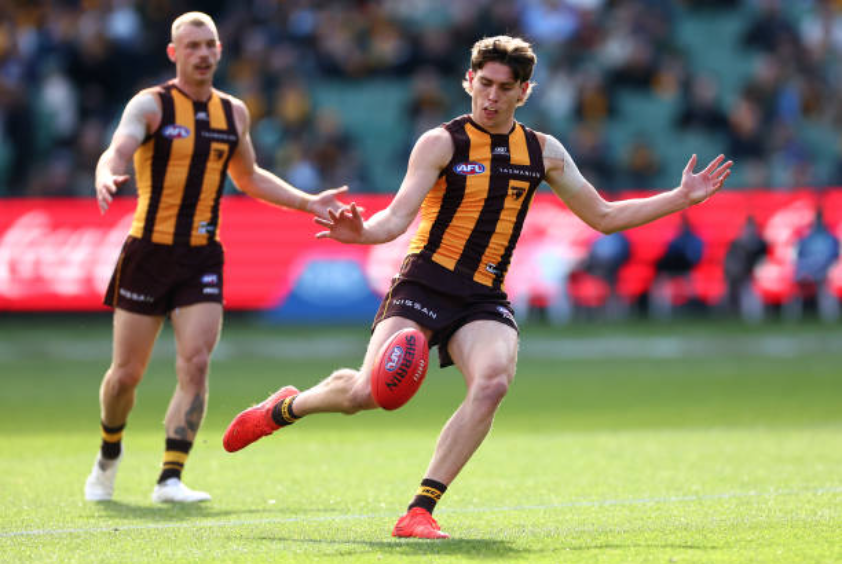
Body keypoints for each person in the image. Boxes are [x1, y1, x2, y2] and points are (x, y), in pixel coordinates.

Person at [223, 35, 732, 538]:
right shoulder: (441, 143)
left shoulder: (543, 152)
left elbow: (602, 216)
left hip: (483, 296)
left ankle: (419, 511)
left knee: (492, 383)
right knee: (367, 392)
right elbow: (395, 219)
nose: (491, 96)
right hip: (424, 282)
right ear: (468, 80)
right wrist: (361, 234)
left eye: (503, 87)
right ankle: (285, 408)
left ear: (524, 92)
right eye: (483, 83)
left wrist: (680, 198)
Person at [84, 12, 349, 504]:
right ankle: (108, 455)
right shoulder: (152, 105)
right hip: (148, 251)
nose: (203, 54)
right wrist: (106, 171)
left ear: (220, 50)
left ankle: (170, 477)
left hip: (202, 255)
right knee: (126, 374)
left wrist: (308, 201)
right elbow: (118, 147)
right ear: (174, 53)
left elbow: (249, 177)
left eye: (210, 45)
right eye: (192, 46)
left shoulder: (235, 114)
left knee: (197, 363)